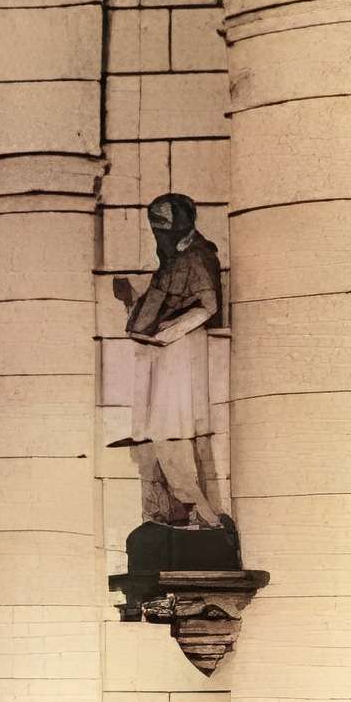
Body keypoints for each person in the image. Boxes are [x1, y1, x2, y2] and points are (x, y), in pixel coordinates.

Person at [113, 191, 231, 533]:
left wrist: (169, 333)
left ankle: (201, 514)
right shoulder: (173, 259)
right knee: (155, 433)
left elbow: (206, 306)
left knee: (172, 432)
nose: (157, 236)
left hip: (179, 354)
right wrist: (132, 300)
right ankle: (170, 512)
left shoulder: (195, 257)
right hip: (160, 354)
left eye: (162, 229)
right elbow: (161, 303)